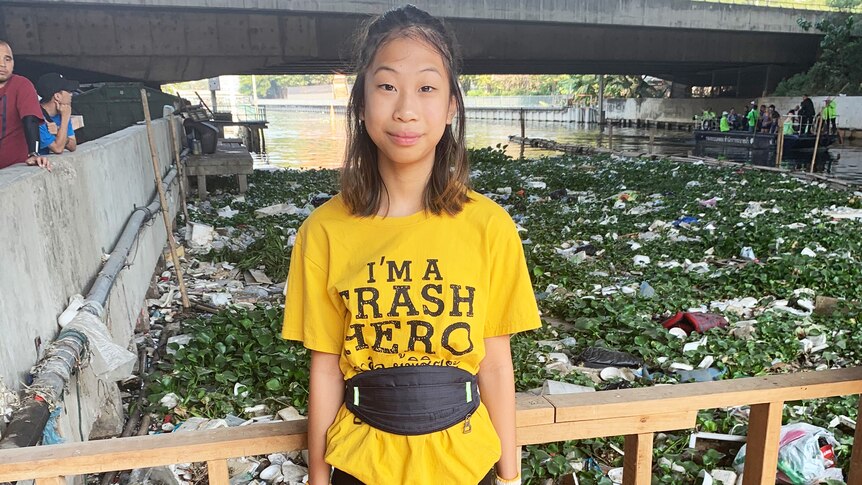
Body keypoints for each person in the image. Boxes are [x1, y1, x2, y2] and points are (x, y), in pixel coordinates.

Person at [281, 6, 540, 485]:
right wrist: (318, 478)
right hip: (360, 464)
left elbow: (496, 364)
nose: (405, 109)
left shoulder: (489, 226)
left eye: (426, 87)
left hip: (466, 464)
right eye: (386, 86)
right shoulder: (323, 231)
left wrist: (509, 474)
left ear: (450, 107)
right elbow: (325, 369)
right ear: (361, 102)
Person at [0, 40, 50, 170]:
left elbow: (30, 119)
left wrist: (34, 153)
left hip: (12, 169)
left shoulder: (21, 85)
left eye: (8, 59)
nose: (2, 64)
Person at [36, 72, 79, 155]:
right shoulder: (37, 116)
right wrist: (65, 118)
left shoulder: (62, 113)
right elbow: (58, 148)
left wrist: (58, 131)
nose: (71, 94)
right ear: (57, 96)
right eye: (68, 91)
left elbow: (73, 146)